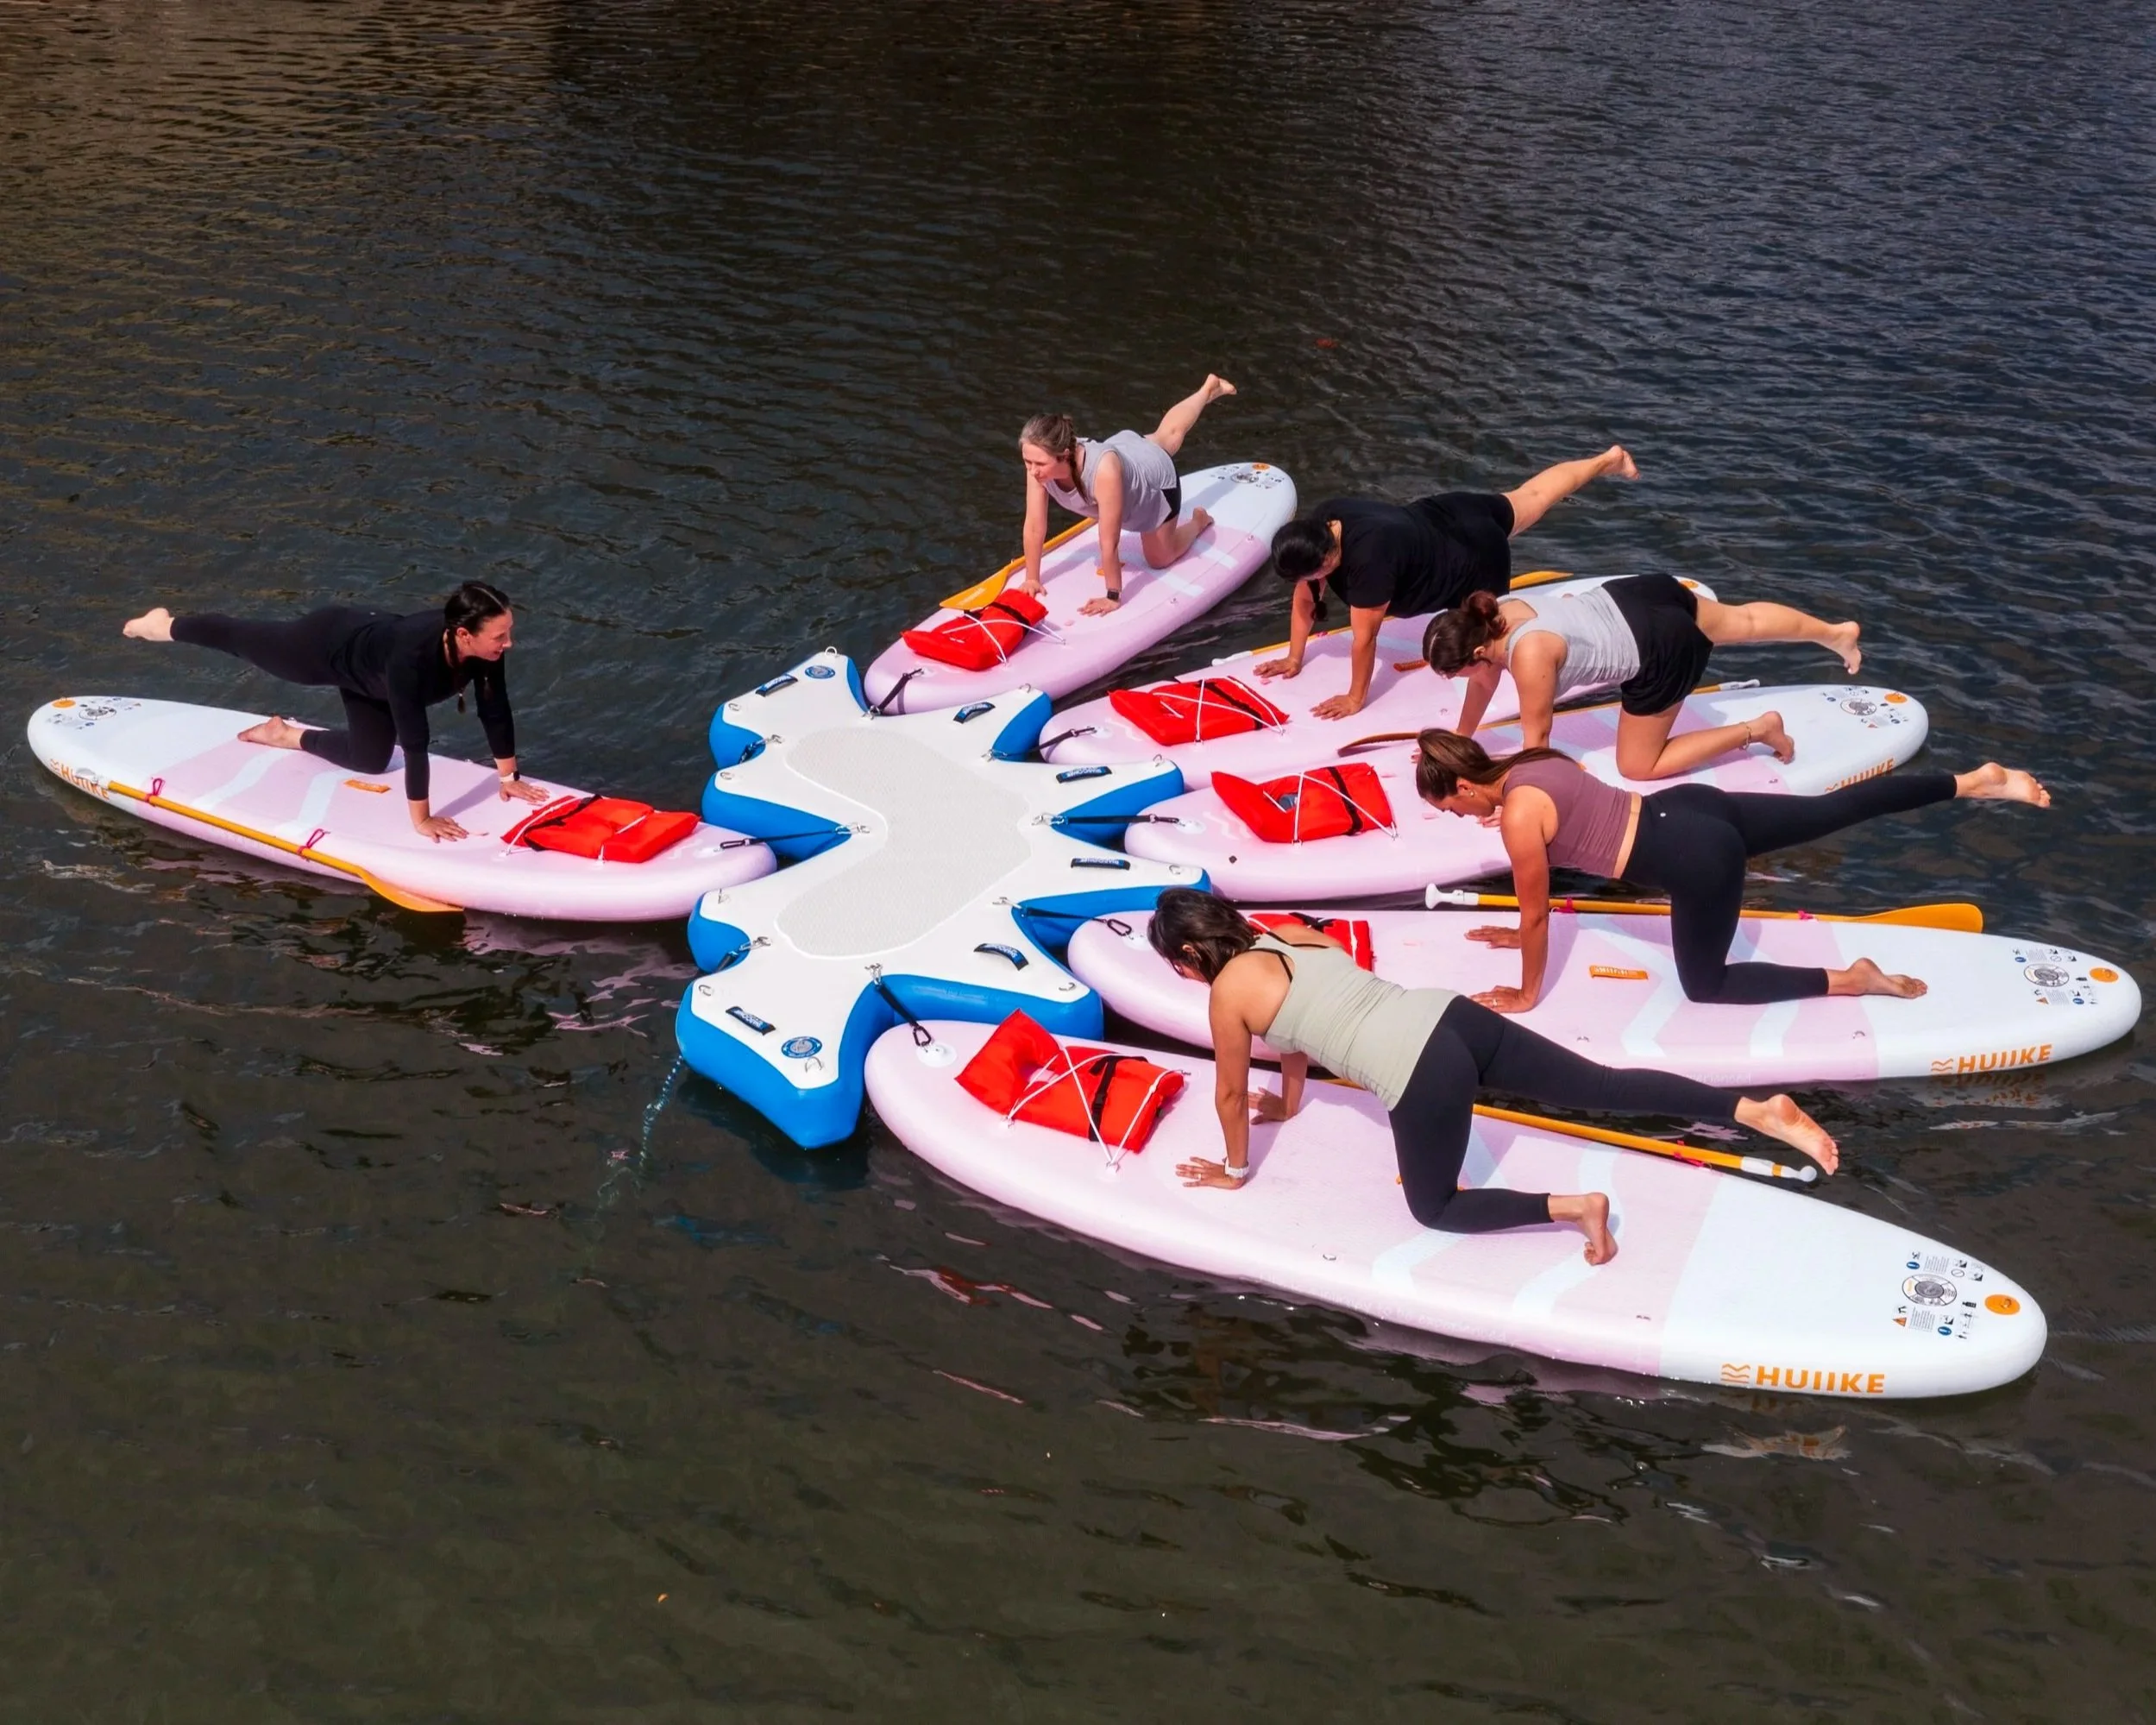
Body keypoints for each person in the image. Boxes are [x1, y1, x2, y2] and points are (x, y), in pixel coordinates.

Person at [1148, 887, 1839, 1265]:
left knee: (1434, 1207)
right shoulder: (1289, 932)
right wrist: (1292, 1104)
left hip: (1417, 1066)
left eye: (1174, 966)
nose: (1180, 977)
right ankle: (1751, 1109)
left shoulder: (1224, 993)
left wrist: (1234, 1170)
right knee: (1598, 1084)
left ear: (1188, 951)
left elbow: (1232, 1090)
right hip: (1448, 1016)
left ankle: (1573, 1209)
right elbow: (1297, 1032)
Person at [1411, 731, 2051, 1010]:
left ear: (1465, 785)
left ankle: (1850, 979)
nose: (1459, 816)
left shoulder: (1519, 816)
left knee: (1705, 985)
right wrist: (1519, 926)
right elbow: (1575, 817)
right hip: (1690, 808)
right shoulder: (1531, 762)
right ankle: (1971, 781)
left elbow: (1535, 907)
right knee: (1834, 809)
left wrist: (1525, 991)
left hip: (1696, 859)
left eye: (1451, 807)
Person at [121, 582, 550, 843]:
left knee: (369, 760)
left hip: (371, 671)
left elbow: (495, 709)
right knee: (244, 638)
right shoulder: (411, 658)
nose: (508, 642)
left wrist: (508, 779)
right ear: (463, 634)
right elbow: (416, 744)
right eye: (501, 635)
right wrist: (422, 821)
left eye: (508, 631)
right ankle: (163, 625)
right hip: (327, 644)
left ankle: (285, 735)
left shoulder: (487, 650)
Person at [1254, 444, 1638, 721]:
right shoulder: (1324, 520)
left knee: (1488, 645)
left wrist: (1356, 698)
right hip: (1451, 511)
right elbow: (1305, 597)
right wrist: (1293, 657)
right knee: (1533, 495)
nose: (1306, 586)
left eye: (1311, 576)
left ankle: (1555, 624)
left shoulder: (1369, 561)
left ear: (1326, 560)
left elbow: (1364, 641)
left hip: (1472, 558)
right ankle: (1607, 460)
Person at [1421, 577, 1861, 780]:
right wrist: (1457, 742)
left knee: (1637, 766)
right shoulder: (1497, 611)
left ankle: (1759, 728)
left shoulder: (1528, 656)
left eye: (1453, 672)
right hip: (1639, 594)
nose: (1460, 680)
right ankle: (1836, 634)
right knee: (1743, 620)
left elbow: (1538, 746)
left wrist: (1515, 799)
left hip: (1661, 649)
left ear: (1478, 653)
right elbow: (1483, 681)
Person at [1015, 375, 1236, 617]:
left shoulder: (1103, 472)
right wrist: (1032, 578)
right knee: (1168, 435)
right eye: (1027, 461)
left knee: (1160, 558)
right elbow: (1035, 525)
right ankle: (1208, 388)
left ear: (1064, 454)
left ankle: (1199, 521)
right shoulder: (1039, 464)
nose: (1032, 470)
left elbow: (1109, 542)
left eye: (1039, 463)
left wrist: (1113, 595)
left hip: (1156, 483)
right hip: (1127, 451)